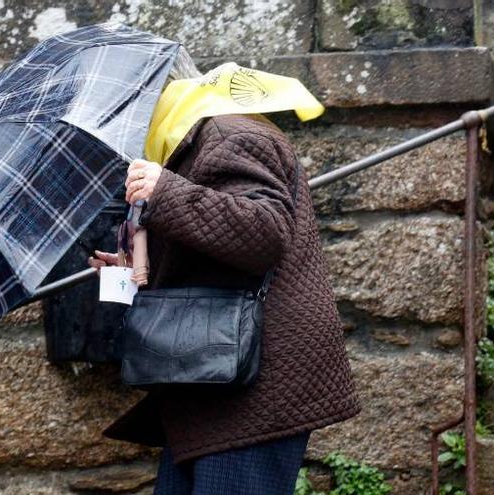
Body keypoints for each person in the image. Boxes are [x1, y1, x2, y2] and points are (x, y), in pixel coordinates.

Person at [88, 48, 360, 495]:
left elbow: (266, 233)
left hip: (252, 384)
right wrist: (133, 270)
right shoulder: (187, 141)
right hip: (215, 379)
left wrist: (166, 192)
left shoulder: (228, 131)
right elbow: (216, 245)